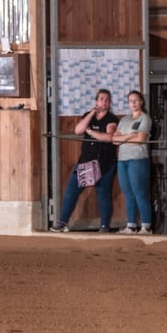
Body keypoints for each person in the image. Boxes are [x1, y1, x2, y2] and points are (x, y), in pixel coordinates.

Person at [50, 89, 119, 233]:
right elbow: (78, 130)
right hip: (86, 160)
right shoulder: (88, 115)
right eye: (101, 99)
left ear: (110, 103)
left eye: (106, 99)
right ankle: (62, 223)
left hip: (104, 162)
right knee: (71, 191)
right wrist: (92, 113)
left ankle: (104, 226)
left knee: (103, 193)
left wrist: (91, 132)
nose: (103, 102)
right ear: (96, 101)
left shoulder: (111, 119)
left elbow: (108, 136)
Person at [112, 90, 153, 234]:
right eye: (131, 101)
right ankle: (131, 225)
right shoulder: (124, 120)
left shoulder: (145, 119)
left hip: (137, 159)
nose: (133, 103)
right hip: (122, 159)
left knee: (139, 192)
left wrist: (124, 137)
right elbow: (114, 140)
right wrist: (130, 135)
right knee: (127, 192)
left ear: (141, 101)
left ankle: (146, 226)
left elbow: (140, 140)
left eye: (136, 100)